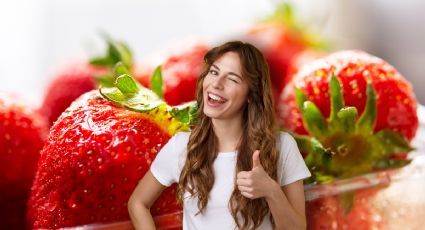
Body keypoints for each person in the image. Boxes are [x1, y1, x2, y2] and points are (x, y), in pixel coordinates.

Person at [128, 41, 311, 230]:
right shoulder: (181, 146)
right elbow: (138, 203)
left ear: (251, 94)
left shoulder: (281, 146)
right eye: (214, 72)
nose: (216, 84)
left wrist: (271, 191)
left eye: (232, 79)